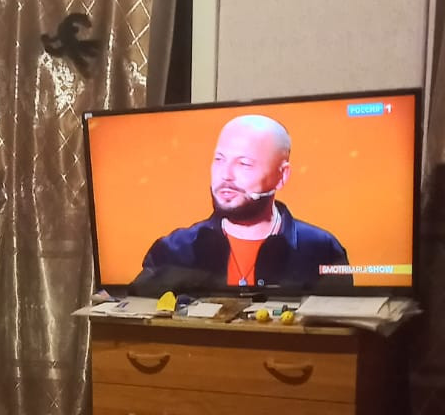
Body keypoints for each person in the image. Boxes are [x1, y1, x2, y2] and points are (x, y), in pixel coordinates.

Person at [134, 114, 353, 290]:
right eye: (219, 159)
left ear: (282, 175)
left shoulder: (322, 250)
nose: (226, 175)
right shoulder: (174, 250)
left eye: (244, 164)